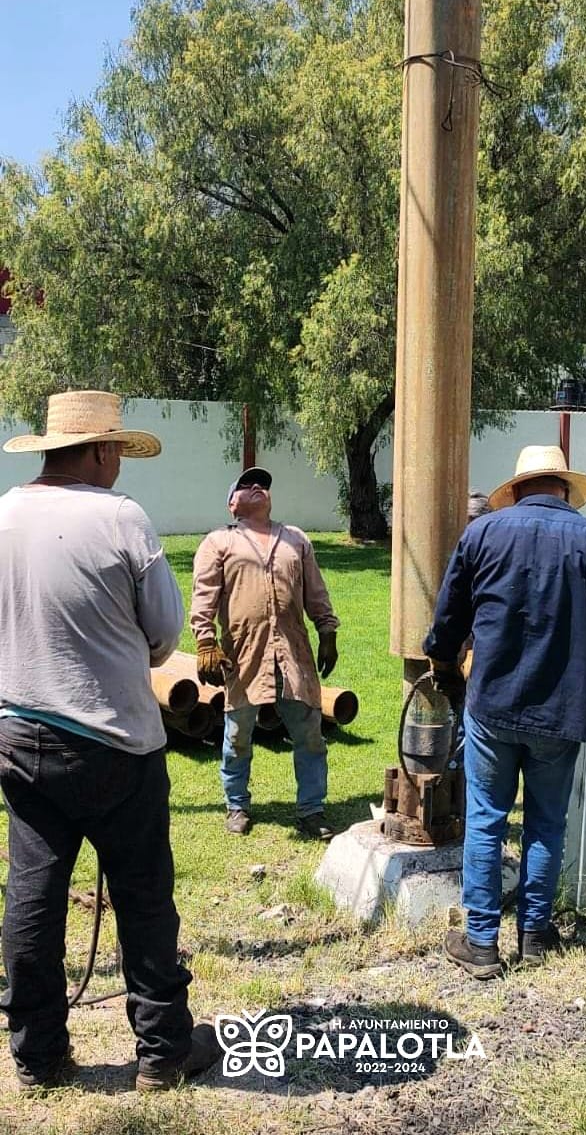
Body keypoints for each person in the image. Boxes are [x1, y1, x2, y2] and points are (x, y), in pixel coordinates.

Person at [0, 390, 220, 1090]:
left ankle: (37, 1056)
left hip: (20, 732)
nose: (120, 462)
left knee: (32, 895)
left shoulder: (4, 512)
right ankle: (162, 1053)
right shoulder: (121, 518)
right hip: (115, 742)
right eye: (117, 450)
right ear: (98, 452)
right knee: (144, 896)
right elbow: (164, 637)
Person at [423, 445, 586, 979]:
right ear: (565, 489)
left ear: (519, 488)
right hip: (562, 709)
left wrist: (441, 660)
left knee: (486, 820)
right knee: (547, 822)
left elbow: (449, 615)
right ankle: (534, 934)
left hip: (493, 704)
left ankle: (480, 943)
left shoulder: (481, 534)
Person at [191, 466, 340, 839]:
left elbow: (315, 591)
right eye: (246, 485)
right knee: (238, 734)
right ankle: (236, 805)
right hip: (244, 655)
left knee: (309, 734)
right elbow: (204, 595)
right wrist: (206, 641)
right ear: (232, 504)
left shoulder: (296, 539)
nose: (258, 487)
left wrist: (327, 631)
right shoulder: (218, 544)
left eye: (263, 485)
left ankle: (311, 809)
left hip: (293, 655)